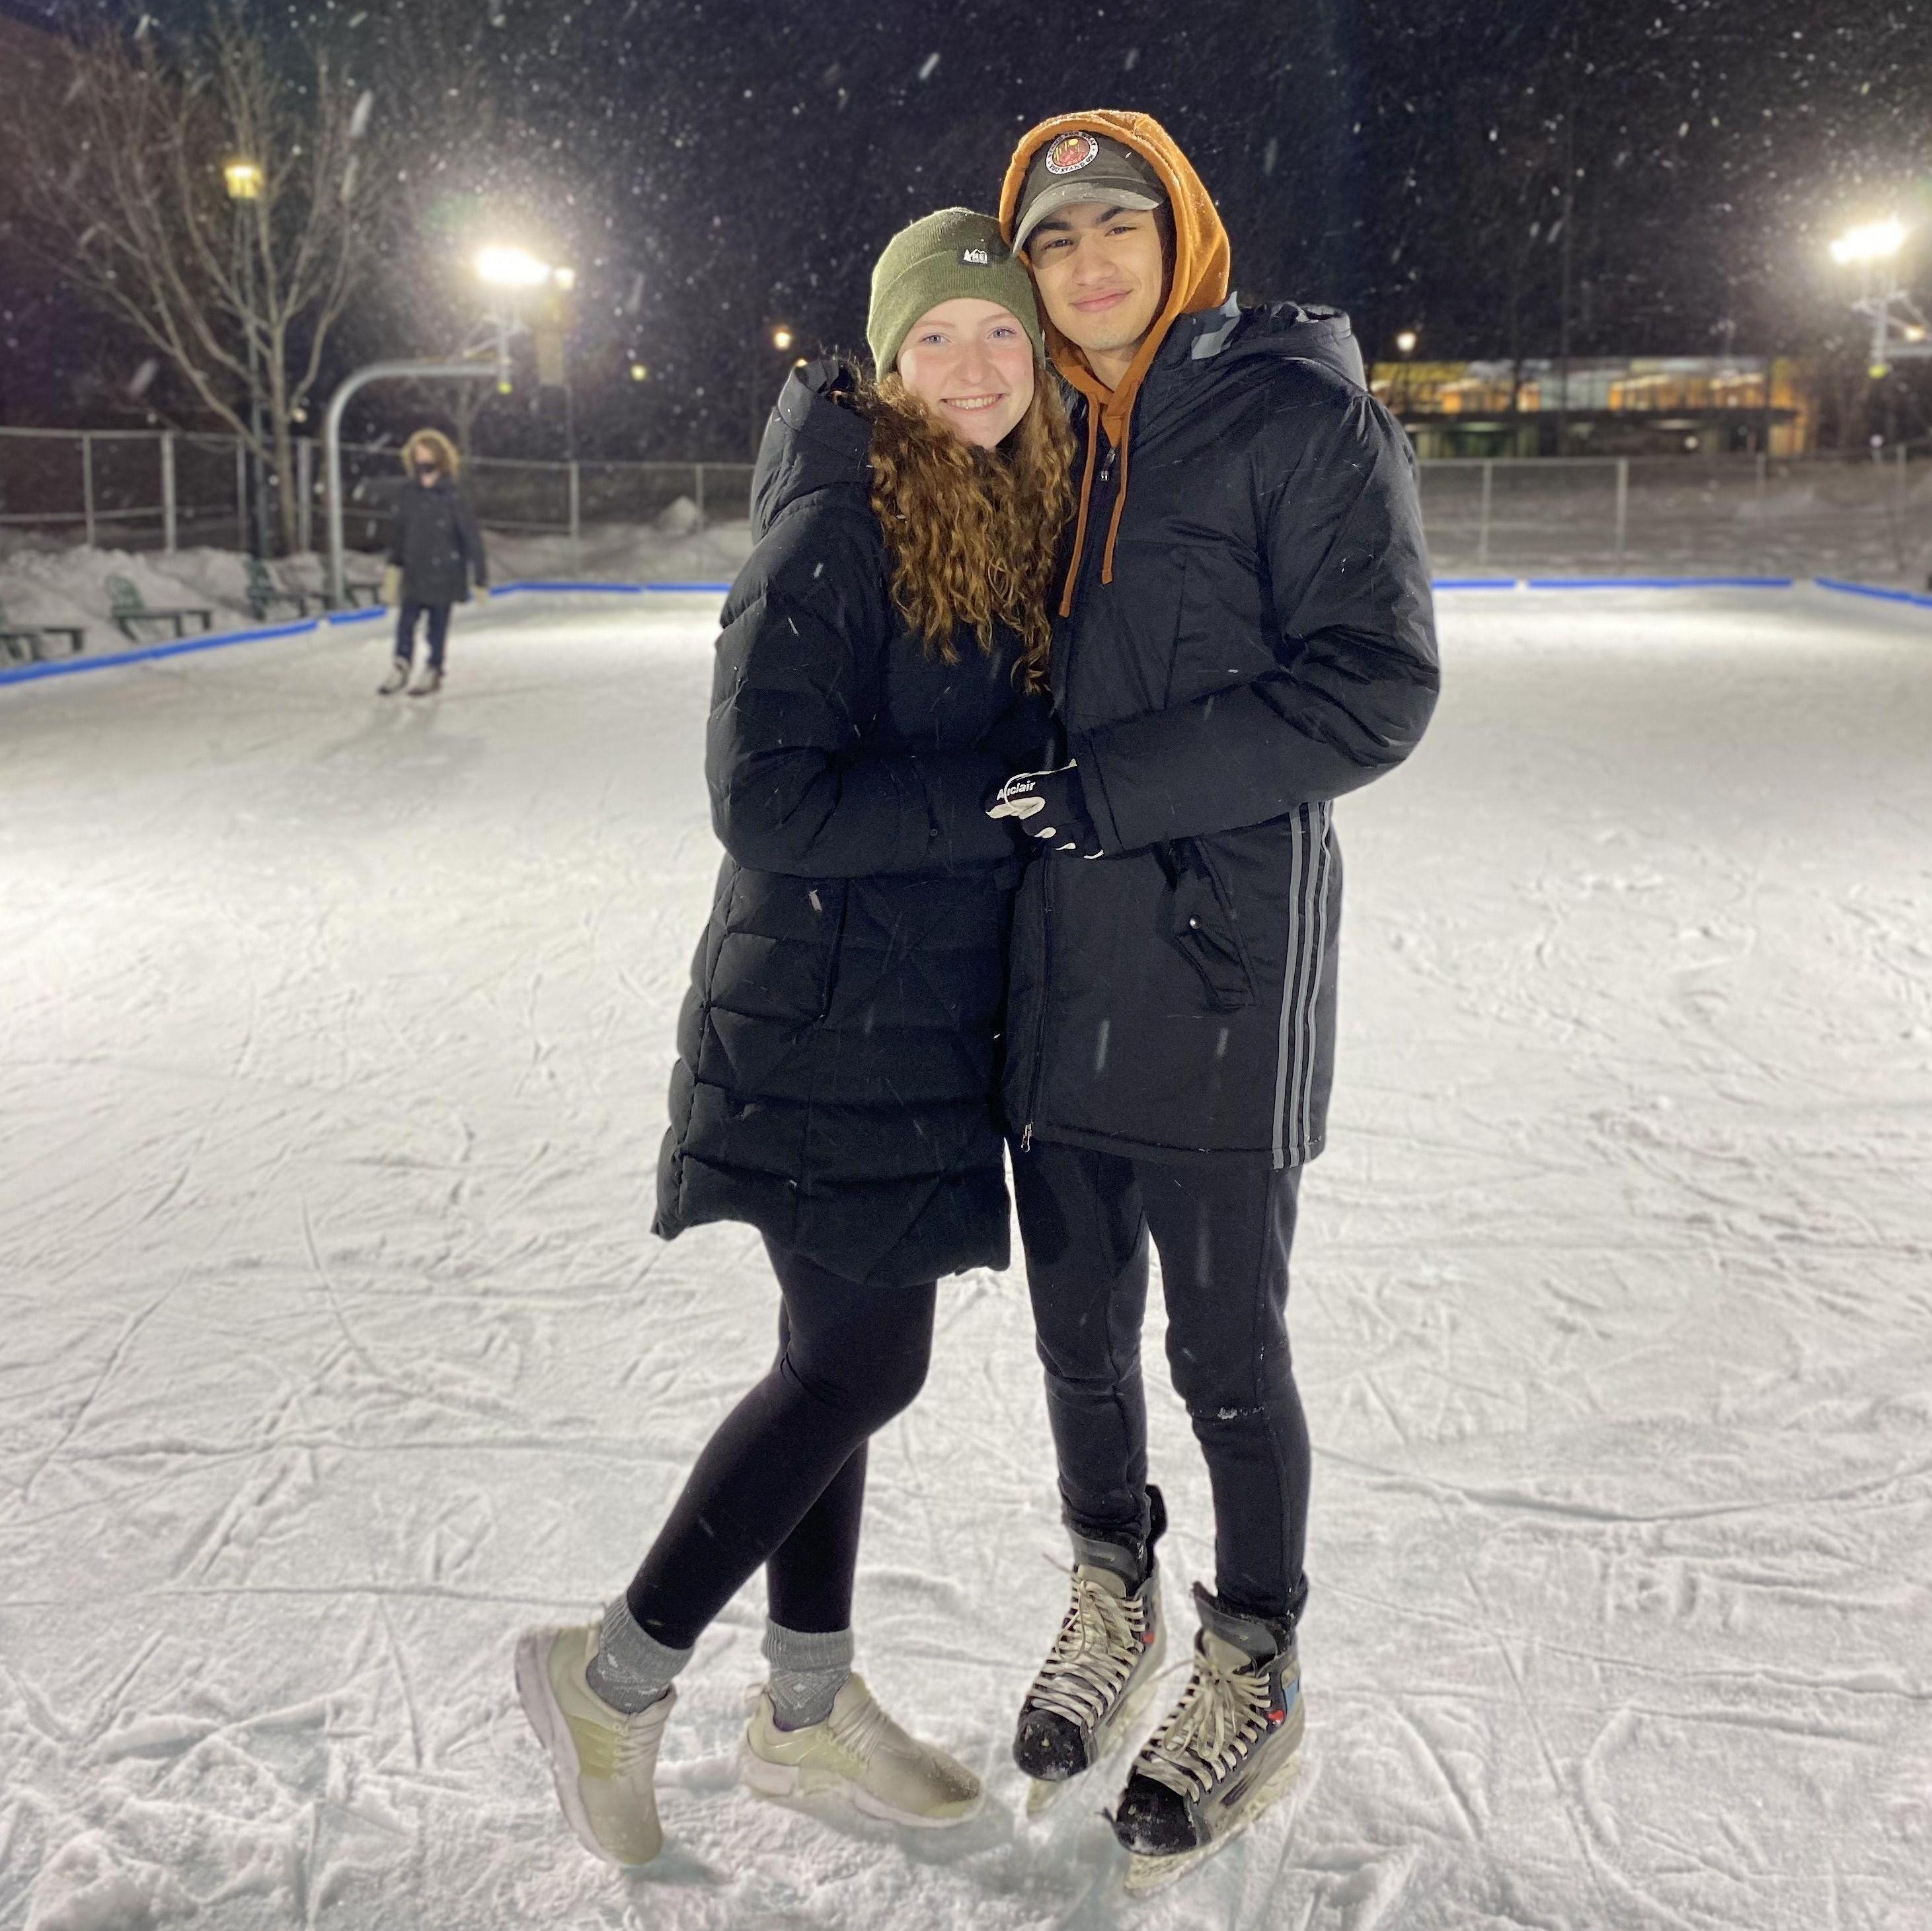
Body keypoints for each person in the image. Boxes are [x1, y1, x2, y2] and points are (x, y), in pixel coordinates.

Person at [515, 209, 1071, 1868]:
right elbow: (758, 796)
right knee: (859, 1361)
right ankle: (609, 1676)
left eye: (1002, 339)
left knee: (835, 1371)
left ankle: (807, 1705)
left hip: (897, 1019)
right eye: (938, 341)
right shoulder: (840, 516)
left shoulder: (976, 504)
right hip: (823, 1016)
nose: (973, 368)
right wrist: (995, 805)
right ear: (886, 361)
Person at [983, 114, 1440, 1881]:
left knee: (1224, 1350)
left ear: (1181, 231)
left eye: (1118, 222)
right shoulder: (1025, 429)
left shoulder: (1293, 408)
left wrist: (1118, 788)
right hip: (1046, 964)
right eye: (1051, 239)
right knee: (1074, 1333)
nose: (1087, 261)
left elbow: (1374, 687)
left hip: (1218, 960)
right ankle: (1113, 1593)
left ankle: (1251, 1657)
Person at [377, 428, 487, 697]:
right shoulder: (408, 494)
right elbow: (400, 534)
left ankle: (434, 668)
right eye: (417, 455)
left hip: (445, 572)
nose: (421, 461)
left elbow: (470, 537)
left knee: (437, 625)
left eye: (426, 454)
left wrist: (480, 577)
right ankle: (401, 664)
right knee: (406, 622)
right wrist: (394, 569)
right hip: (415, 571)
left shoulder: (453, 495)